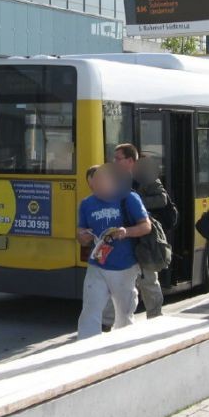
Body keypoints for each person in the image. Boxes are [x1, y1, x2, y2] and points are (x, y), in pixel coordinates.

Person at [76, 163, 152, 339]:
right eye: (93, 185)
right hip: (97, 265)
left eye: (100, 184)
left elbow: (146, 226)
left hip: (124, 266)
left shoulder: (129, 198)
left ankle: (122, 348)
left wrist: (126, 232)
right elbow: (80, 233)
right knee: (90, 310)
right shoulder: (87, 204)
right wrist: (83, 236)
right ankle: (86, 349)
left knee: (124, 314)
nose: (96, 190)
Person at [113, 143, 167, 319]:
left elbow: (162, 199)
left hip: (144, 236)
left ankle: (155, 317)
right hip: (125, 235)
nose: (114, 162)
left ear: (130, 160)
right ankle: (121, 320)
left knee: (148, 279)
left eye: (118, 158)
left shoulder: (145, 176)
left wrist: (137, 202)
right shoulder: (115, 178)